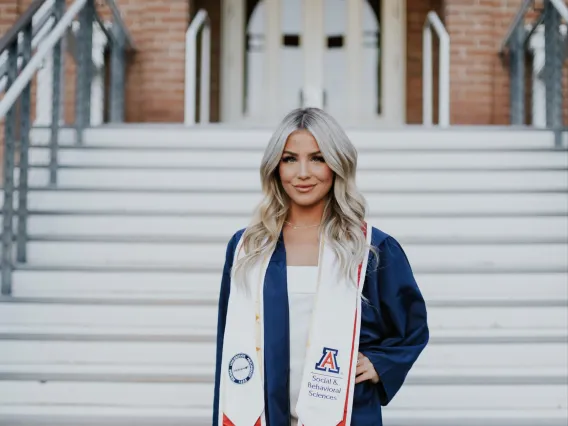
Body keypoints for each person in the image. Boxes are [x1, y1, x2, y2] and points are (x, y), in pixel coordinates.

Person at [213, 107, 429, 426]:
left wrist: (380, 363)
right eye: (289, 159)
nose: (303, 173)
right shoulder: (248, 247)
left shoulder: (369, 249)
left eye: (317, 158)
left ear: (337, 164)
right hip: (261, 413)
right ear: (275, 167)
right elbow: (227, 343)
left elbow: (411, 328)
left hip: (344, 411)